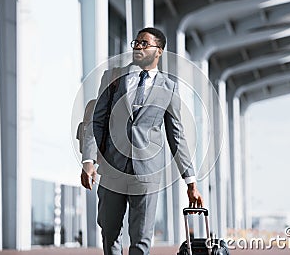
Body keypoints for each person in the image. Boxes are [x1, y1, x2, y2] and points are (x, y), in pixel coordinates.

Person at [80, 27, 203, 255]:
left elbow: (176, 135)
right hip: (112, 168)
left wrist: (191, 181)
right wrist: (88, 159)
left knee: (141, 240)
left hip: (147, 173)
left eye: (144, 43)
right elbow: (96, 122)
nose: (138, 46)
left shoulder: (169, 87)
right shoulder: (113, 77)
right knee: (110, 233)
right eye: (136, 42)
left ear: (159, 51)